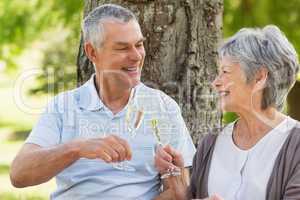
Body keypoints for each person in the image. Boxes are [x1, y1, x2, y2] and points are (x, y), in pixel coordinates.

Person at [10, 4, 196, 200]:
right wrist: (77, 148)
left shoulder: (164, 107)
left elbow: (176, 194)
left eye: (139, 44)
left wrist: (175, 179)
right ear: (92, 52)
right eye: (122, 48)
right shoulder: (63, 107)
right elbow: (19, 174)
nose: (136, 56)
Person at [155, 25, 300, 200]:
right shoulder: (211, 143)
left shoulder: (295, 145)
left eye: (225, 72)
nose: (215, 83)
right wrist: (179, 186)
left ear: (260, 77)